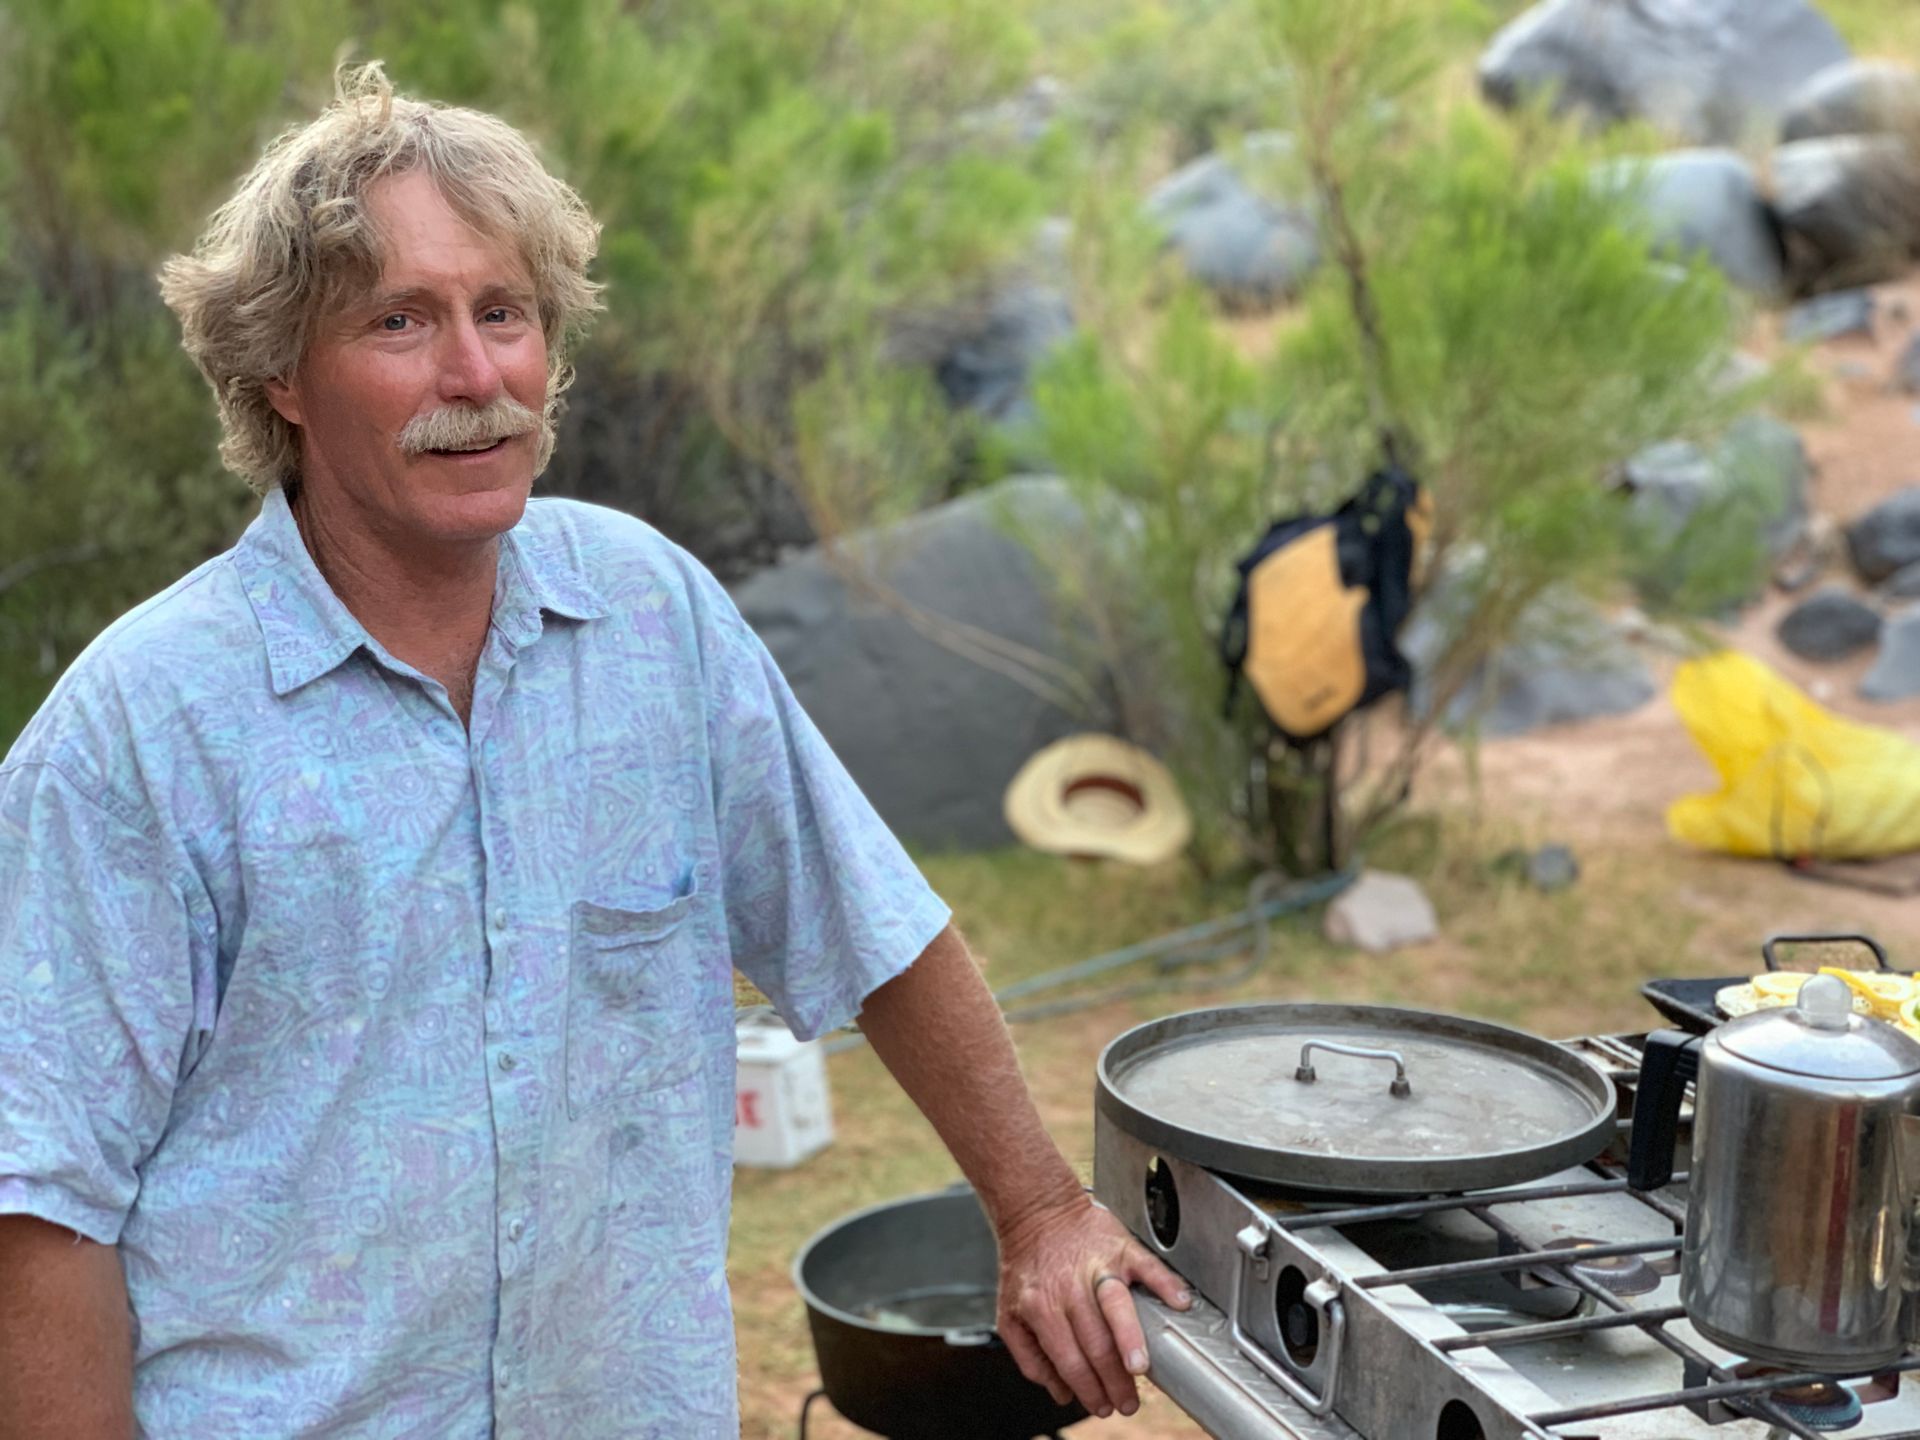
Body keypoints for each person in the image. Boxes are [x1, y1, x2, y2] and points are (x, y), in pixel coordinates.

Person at [0, 62, 1192, 1440]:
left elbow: (875, 928)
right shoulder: (140, 735)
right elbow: (38, 1207)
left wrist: (1042, 1209)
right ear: (279, 379)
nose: (476, 374)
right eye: (402, 320)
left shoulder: (651, 616)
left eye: (503, 313)